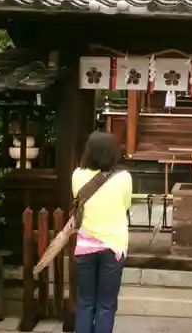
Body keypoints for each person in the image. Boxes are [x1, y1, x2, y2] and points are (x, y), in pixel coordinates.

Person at [73, 131, 132, 333]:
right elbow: (126, 205)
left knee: (85, 303)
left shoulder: (77, 175)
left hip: (85, 246)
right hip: (113, 246)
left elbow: (77, 201)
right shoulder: (124, 178)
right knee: (106, 305)